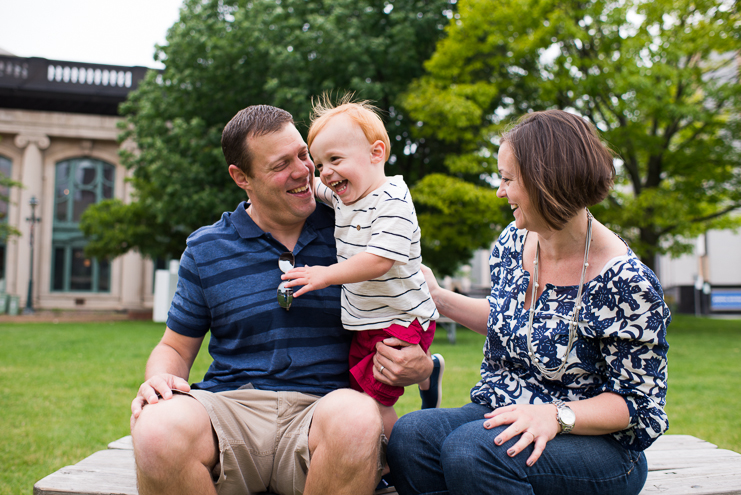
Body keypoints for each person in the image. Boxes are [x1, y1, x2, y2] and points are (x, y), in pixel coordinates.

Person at [129, 104, 434, 495]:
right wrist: (158, 380)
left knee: (358, 417)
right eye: (280, 165)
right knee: (155, 426)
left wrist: (420, 366)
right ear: (242, 177)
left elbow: (409, 302)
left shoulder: (354, 226)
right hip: (232, 410)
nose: (305, 171)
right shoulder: (207, 248)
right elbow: (174, 345)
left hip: (323, 414)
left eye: (303, 155)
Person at [387, 109, 671, 495]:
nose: (499, 191)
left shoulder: (626, 282)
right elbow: (519, 325)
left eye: (507, 179)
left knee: (474, 451)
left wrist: (555, 416)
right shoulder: (513, 242)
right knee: (412, 436)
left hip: (598, 444)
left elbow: (638, 404)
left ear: (546, 182)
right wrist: (437, 299)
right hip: (506, 406)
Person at [281, 96, 442, 436]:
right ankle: (429, 375)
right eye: (320, 162)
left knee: (372, 400)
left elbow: (379, 260)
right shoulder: (344, 194)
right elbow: (311, 186)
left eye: (335, 159)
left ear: (376, 153)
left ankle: (387, 464)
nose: (325, 172)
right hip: (365, 319)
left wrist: (325, 275)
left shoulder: (393, 199)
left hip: (402, 318)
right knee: (358, 388)